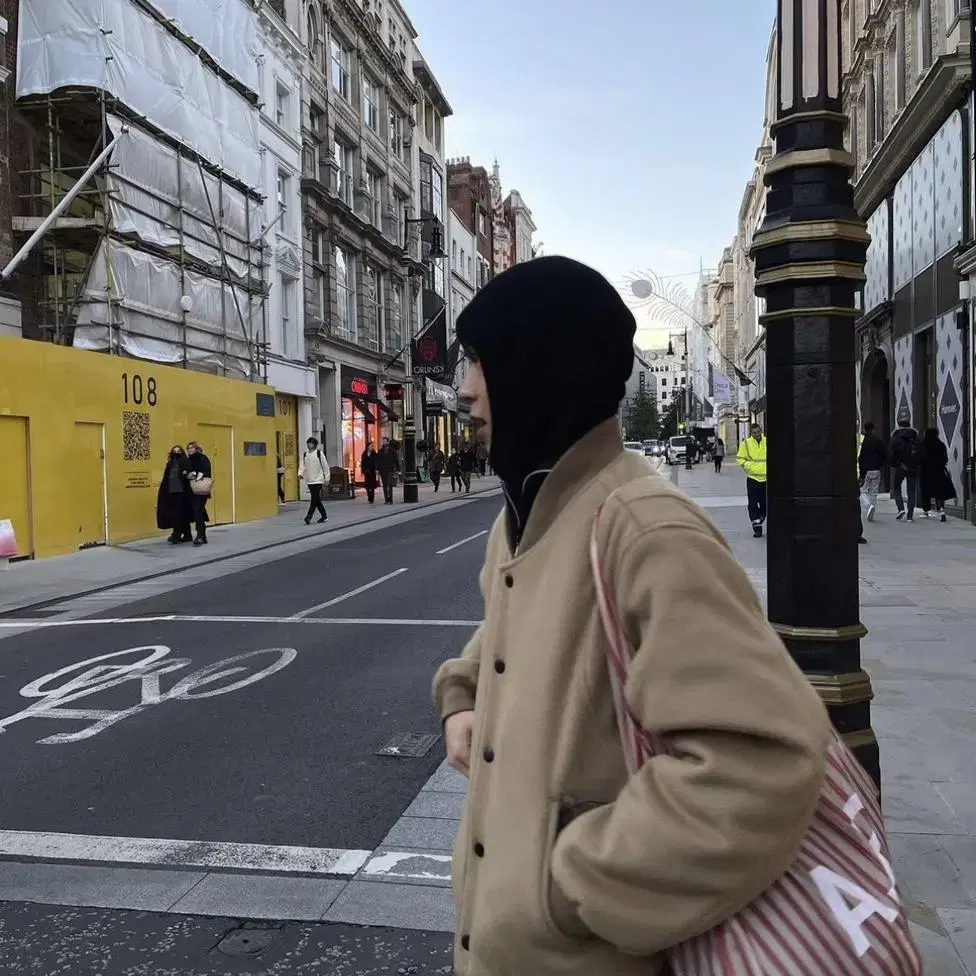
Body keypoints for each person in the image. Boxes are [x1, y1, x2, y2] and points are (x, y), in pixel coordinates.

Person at [433, 256, 830, 975]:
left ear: (536, 368)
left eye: (478, 362)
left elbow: (760, 765)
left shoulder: (645, 531)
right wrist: (464, 693)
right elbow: (513, 626)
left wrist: (569, 885)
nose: (465, 389)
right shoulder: (528, 513)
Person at [156, 445, 192, 544]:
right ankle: (182, 534)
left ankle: (178, 534)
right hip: (172, 493)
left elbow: (187, 474)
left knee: (180, 514)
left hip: (182, 493)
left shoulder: (185, 461)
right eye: (174, 451)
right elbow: (166, 478)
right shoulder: (170, 464)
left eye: (178, 451)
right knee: (177, 514)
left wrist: (185, 473)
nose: (176, 453)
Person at [888, 417, 922, 521]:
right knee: (911, 491)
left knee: (896, 488)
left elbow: (890, 453)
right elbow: (921, 453)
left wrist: (894, 464)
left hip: (900, 467)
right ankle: (910, 515)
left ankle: (900, 508)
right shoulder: (916, 437)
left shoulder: (895, 437)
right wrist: (917, 465)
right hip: (913, 468)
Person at [736, 424, 767, 537]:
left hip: (766, 479)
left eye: (758, 432)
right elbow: (740, 459)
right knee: (753, 504)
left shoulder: (767, 442)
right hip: (752, 478)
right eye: (754, 433)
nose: (757, 434)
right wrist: (749, 467)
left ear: (761, 431)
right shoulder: (746, 444)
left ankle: (762, 516)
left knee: (765, 503)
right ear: (751, 433)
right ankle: (757, 528)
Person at [919, 427, 955, 521]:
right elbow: (945, 459)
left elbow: (921, 458)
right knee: (939, 492)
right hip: (939, 471)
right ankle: (942, 510)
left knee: (926, 491)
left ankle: (926, 511)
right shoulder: (941, 445)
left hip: (926, 472)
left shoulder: (923, 444)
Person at [857, 421, 887, 522]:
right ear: (873, 429)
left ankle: (868, 505)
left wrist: (861, 472)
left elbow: (860, 457)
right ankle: (872, 509)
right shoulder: (878, 440)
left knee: (863, 490)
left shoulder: (863, 441)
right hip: (876, 469)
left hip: (866, 470)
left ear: (864, 429)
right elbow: (884, 454)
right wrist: (880, 465)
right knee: (874, 492)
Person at [185, 441, 212, 546]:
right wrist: (186, 474)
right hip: (192, 490)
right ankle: (202, 536)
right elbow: (185, 472)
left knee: (198, 511)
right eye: (188, 448)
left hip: (201, 490)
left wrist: (195, 474)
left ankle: (200, 535)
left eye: (191, 448)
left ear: (196, 448)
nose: (190, 450)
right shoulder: (188, 460)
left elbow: (207, 472)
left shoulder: (203, 458)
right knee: (198, 512)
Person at [300, 437, 329, 524]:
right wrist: (300, 473)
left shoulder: (319, 453)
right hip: (310, 480)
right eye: (308, 443)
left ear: (315, 444)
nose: (309, 445)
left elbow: (325, 466)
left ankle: (309, 516)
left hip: (318, 480)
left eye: (311, 443)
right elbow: (302, 465)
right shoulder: (305, 455)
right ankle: (324, 516)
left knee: (313, 499)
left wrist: (327, 478)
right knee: (317, 500)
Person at [377, 437, 399, 504]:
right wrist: (377, 469)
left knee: (390, 484)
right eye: (383, 441)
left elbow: (396, 461)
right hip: (383, 470)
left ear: (388, 442)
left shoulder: (392, 451)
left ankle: (391, 499)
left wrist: (398, 469)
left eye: (385, 441)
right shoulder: (380, 451)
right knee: (384, 485)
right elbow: (378, 461)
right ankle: (386, 499)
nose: (384, 443)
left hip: (390, 470)